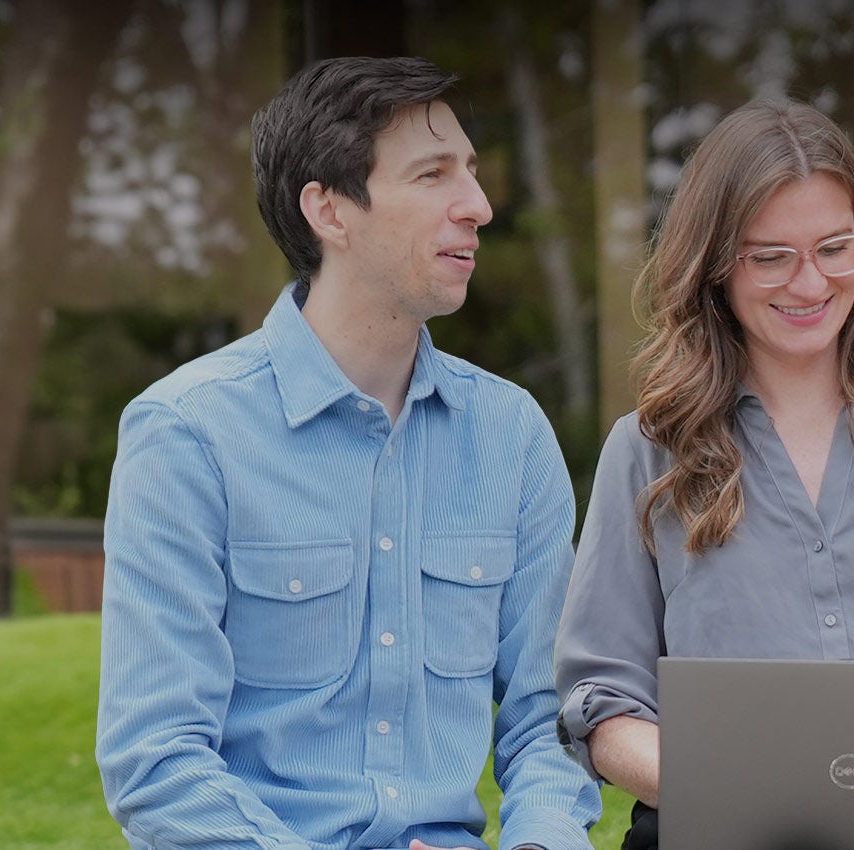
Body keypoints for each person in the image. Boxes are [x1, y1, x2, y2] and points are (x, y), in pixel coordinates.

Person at [96, 57, 599, 850]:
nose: (479, 206)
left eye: (470, 172)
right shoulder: (187, 433)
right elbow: (156, 761)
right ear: (329, 210)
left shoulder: (512, 433)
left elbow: (549, 721)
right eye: (433, 175)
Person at [553, 99, 854, 850]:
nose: (810, 283)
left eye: (833, 248)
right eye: (770, 256)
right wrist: (740, 794)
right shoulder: (646, 450)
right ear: (716, 264)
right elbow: (602, 703)